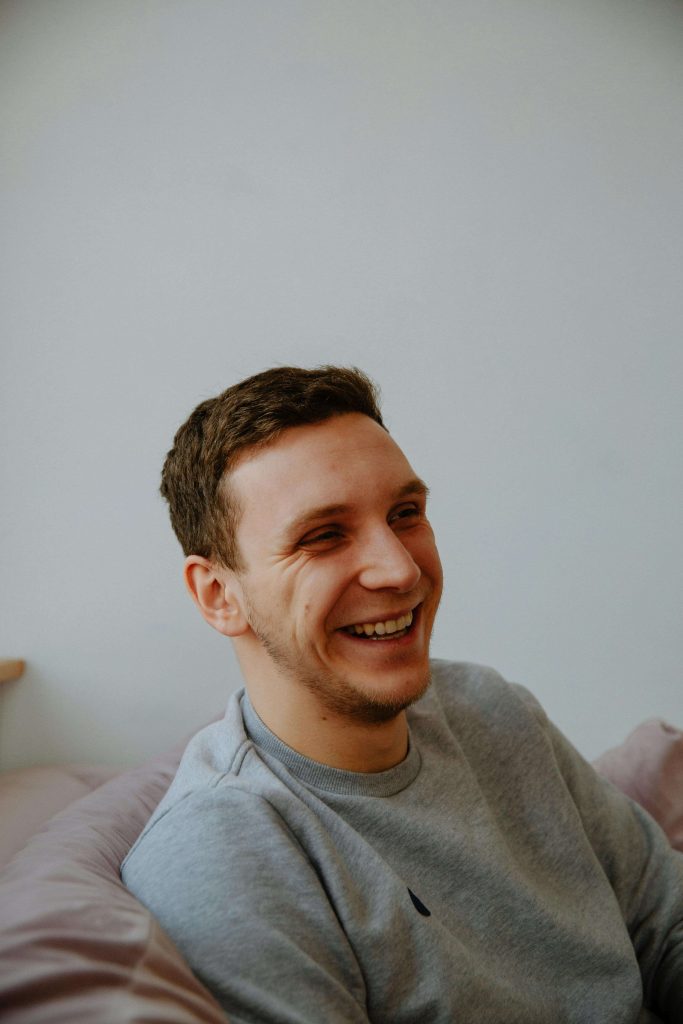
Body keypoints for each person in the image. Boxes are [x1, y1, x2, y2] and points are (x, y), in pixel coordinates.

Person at [122, 366, 683, 1023]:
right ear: (219, 595)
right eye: (323, 536)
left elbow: (666, 923)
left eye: (405, 514)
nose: (399, 568)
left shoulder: (489, 706)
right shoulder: (224, 852)